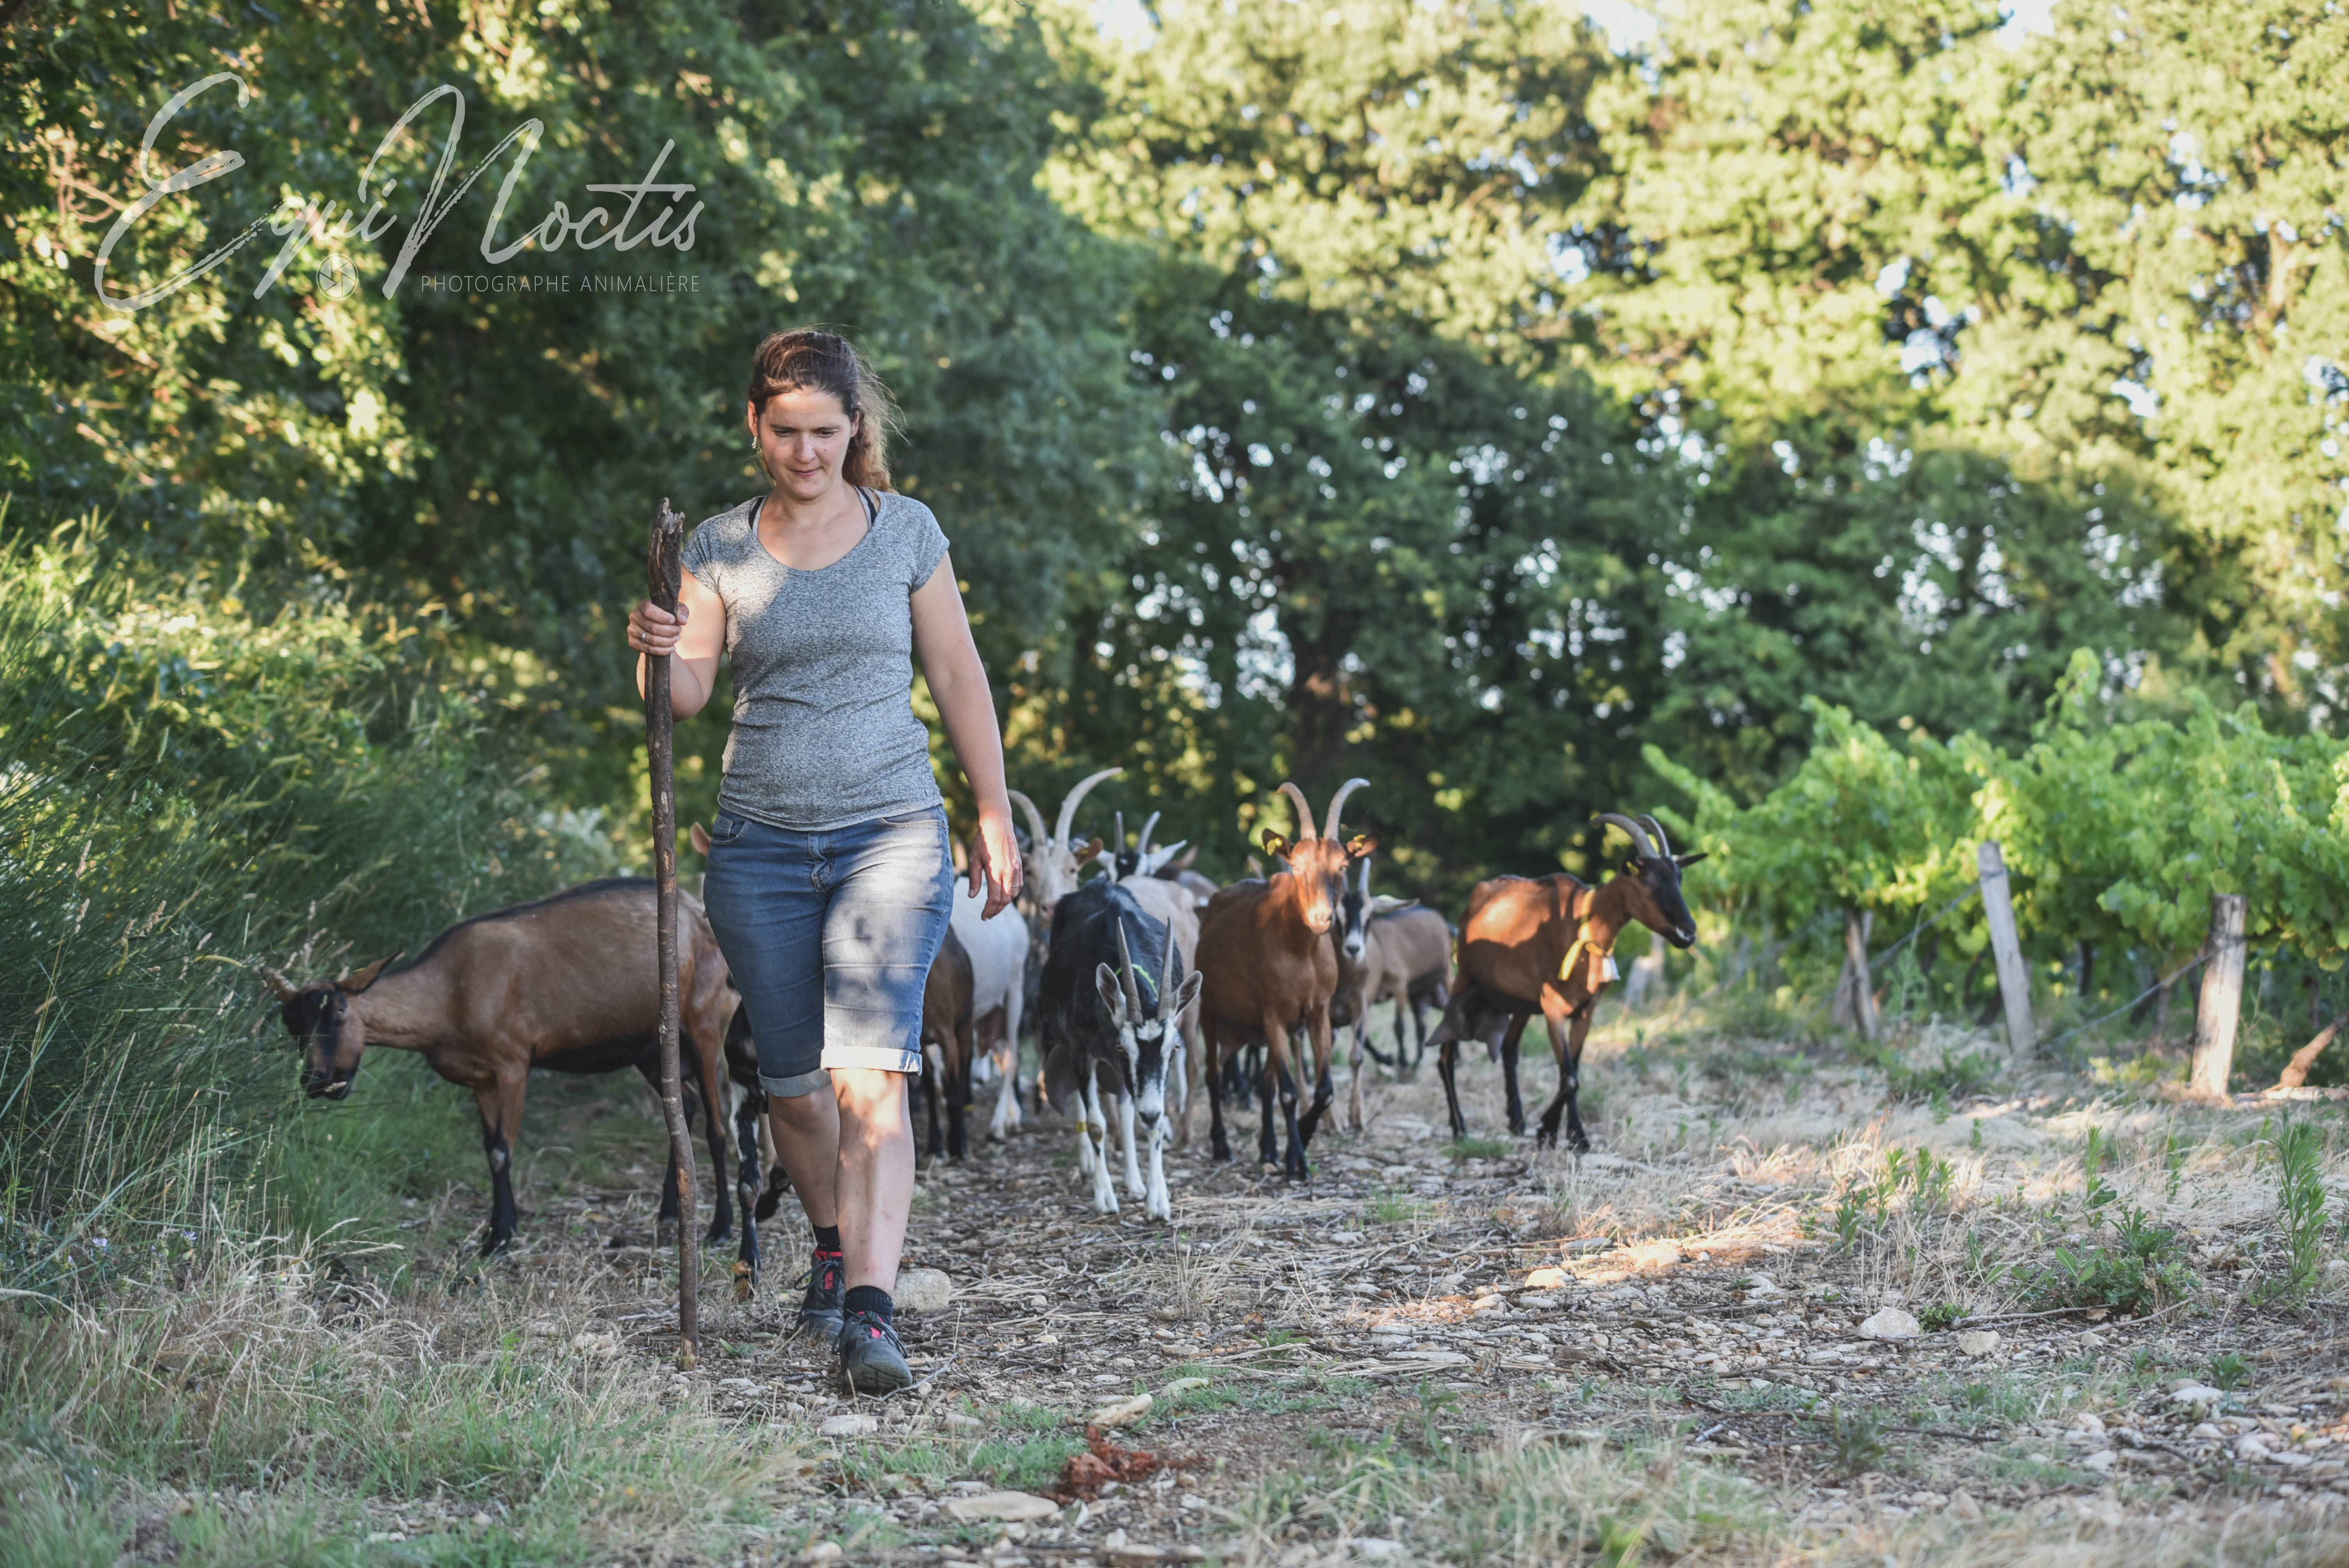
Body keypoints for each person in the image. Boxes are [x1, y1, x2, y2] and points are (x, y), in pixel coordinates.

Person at [626, 329, 1021, 1393]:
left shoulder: (906, 533)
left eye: (825, 433)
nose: (805, 454)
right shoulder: (715, 547)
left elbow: (958, 672)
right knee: (797, 1091)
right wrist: (656, 653)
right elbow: (694, 695)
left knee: (872, 1080)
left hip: (890, 831)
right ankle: (832, 1242)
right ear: (755, 427)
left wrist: (992, 810)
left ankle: (871, 1316)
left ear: (856, 430)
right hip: (758, 848)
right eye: (785, 433)